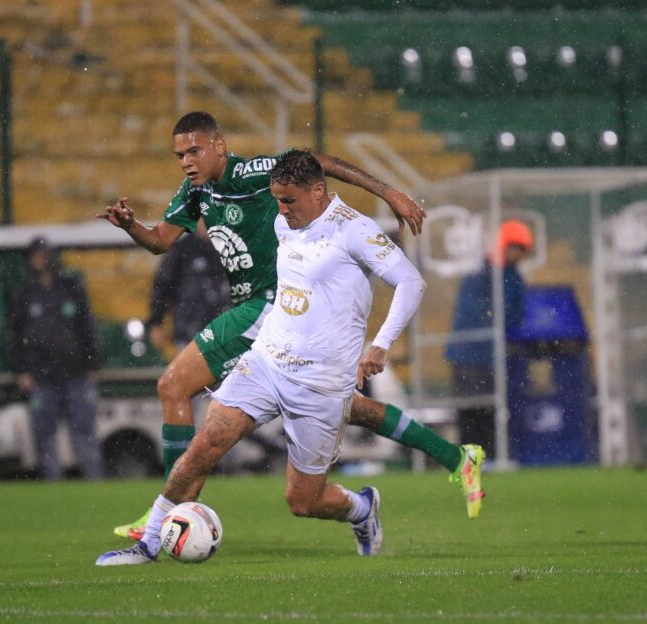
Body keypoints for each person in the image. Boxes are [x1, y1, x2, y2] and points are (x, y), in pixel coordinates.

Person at [98, 112, 486, 539]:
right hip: (271, 311)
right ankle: (454, 457)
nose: (187, 161)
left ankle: (172, 516)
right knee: (345, 404)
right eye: (179, 155)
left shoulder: (253, 172)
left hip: (269, 304)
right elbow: (160, 242)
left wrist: (388, 191)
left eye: (194, 151)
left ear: (219, 146)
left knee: (174, 385)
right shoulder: (195, 191)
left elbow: (318, 162)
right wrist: (132, 226)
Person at [6, 237, 105, 480]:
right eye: (34, 256)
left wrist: (92, 364)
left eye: (42, 255)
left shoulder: (71, 287)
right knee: (45, 436)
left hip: (76, 374)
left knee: (84, 434)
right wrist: (23, 371)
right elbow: (14, 335)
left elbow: (87, 327)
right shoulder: (25, 294)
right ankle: (54, 488)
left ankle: (96, 485)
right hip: (41, 378)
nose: (38, 260)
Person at [444, 220, 532, 458]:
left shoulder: (513, 278)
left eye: (522, 250)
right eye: (515, 248)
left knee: (490, 410)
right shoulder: (480, 273)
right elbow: (478, 313)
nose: (518, 255)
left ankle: (490, 457)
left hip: (491, 357)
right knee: (469, 410)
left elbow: (514, 314)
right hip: (468, 355)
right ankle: (469, 460)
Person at [146, 225, 229, 352]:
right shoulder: (182, 248)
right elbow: (162, 286)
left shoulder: (232, 248)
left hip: (228, 332)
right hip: (189, 332)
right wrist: (157, 322)